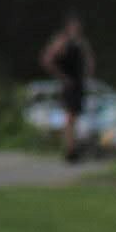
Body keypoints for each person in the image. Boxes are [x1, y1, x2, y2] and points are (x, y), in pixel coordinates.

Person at [41, 13, 94, 163]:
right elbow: (47, 59)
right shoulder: (62, 41)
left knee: (75, 117)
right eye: (73, 26)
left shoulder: (81, 42)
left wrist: (87, 73)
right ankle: (70, 150)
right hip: (69, 83)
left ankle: (73, 147)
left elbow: (89, 59)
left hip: (78, 83)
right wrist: (62, 77)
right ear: (68, 27)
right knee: (69, 117)